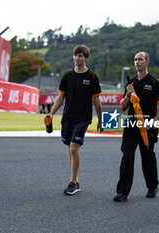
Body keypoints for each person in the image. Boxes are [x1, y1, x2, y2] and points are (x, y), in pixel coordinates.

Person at [46, 45, 103, 195]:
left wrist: (100, 119)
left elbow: (97, 101)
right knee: (70, 150)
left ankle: (73, 182)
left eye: (80, 56)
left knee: (73, 148)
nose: (77, 58)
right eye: (75, 55)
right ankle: (75, 181)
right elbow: (61, 97)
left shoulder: (91, 77)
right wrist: (51, 113)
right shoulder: (67, 76)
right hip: (67, 117)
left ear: (86, 58)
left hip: (83, 118)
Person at [113, 51, 159, 202]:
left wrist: (154, 122)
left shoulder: (154, 83)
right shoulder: (131, 84)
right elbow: (123, 106)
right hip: (131, 126)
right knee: (127, 158)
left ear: (147, 62)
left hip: (147, 127)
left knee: (147, 158)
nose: (137, 62)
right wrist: (128, 95)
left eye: (140, 59)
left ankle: (152, 186)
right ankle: (122, 192)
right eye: (135, 59)